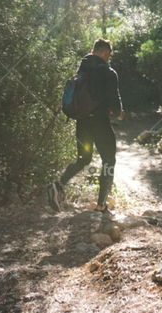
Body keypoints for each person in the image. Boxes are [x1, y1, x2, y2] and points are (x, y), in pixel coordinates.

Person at [48, 38, 124, 213]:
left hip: (82, 122)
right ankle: (101, 204)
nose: (108, 58)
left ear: (93, 50)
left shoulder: (82, 69)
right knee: (108, 160)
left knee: (84, 158)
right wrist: (119, 112)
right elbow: (115, 104)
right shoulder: (109, 72)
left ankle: (58, 185)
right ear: (106, 52)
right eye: (109, 55)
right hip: (100, 122)